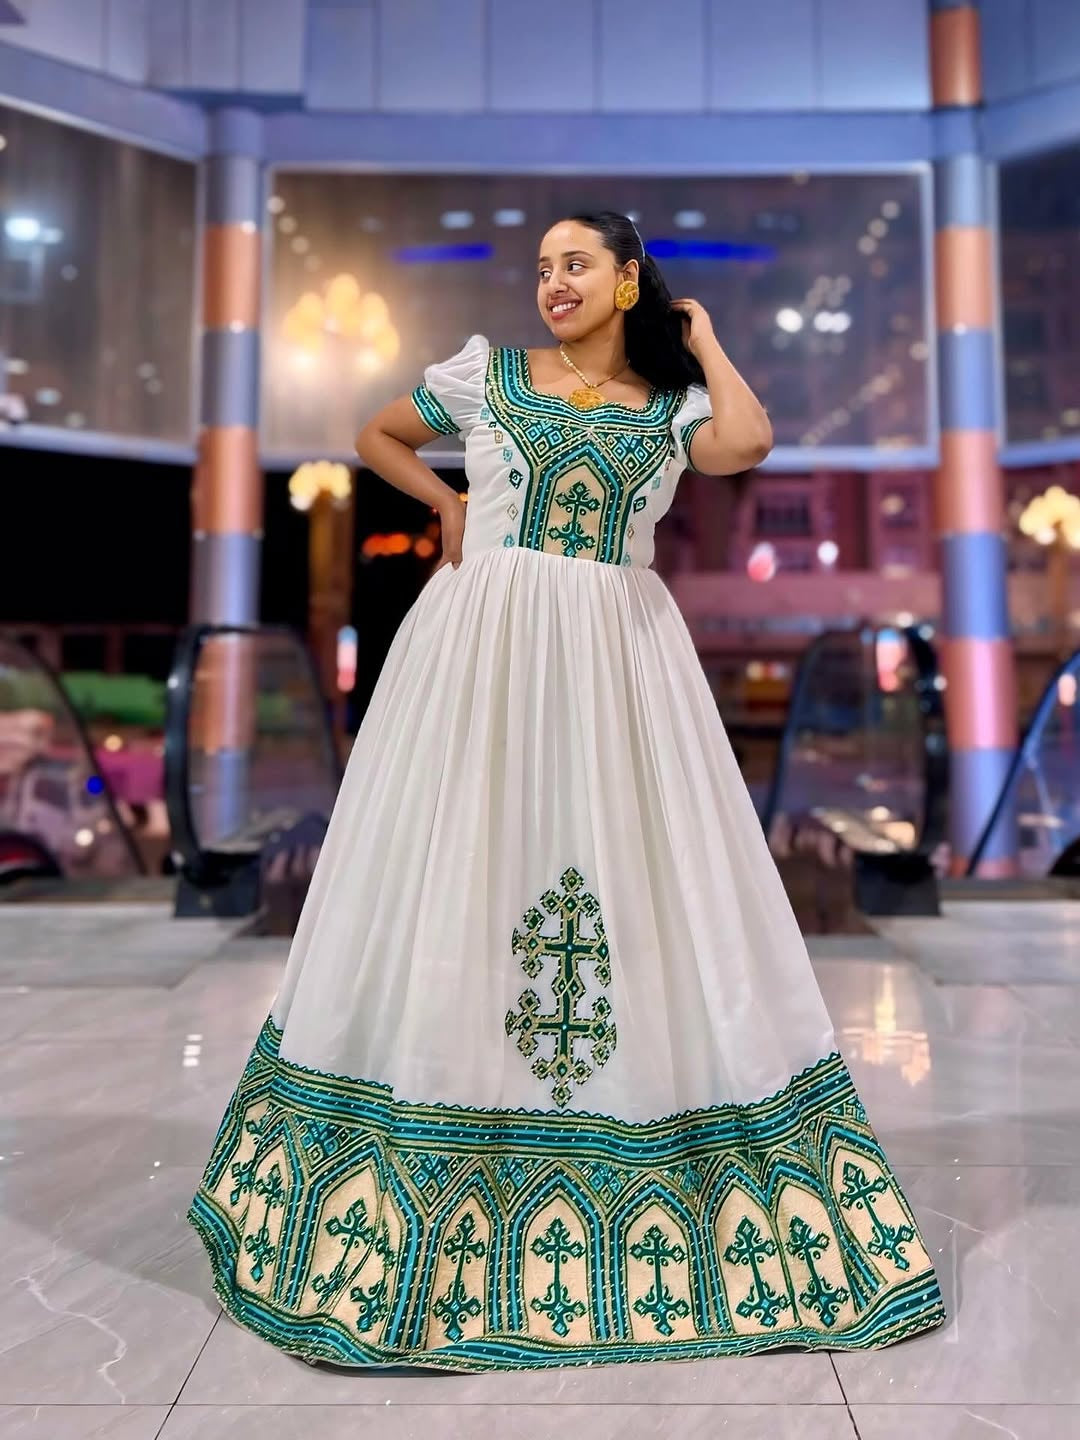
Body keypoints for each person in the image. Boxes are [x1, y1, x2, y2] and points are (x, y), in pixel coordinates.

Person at [189, 210, 945, 1370]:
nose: (553, 282)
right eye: (543, 267)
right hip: (479, 652)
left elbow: (746, 439)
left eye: (577, 264)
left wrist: (697, 333)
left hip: (620, 664)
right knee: (461, 872)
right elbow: (379, 432)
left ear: (627, 280)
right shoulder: (488, 378)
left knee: (632, 884)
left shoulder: (668, 405)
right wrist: (443, 507)